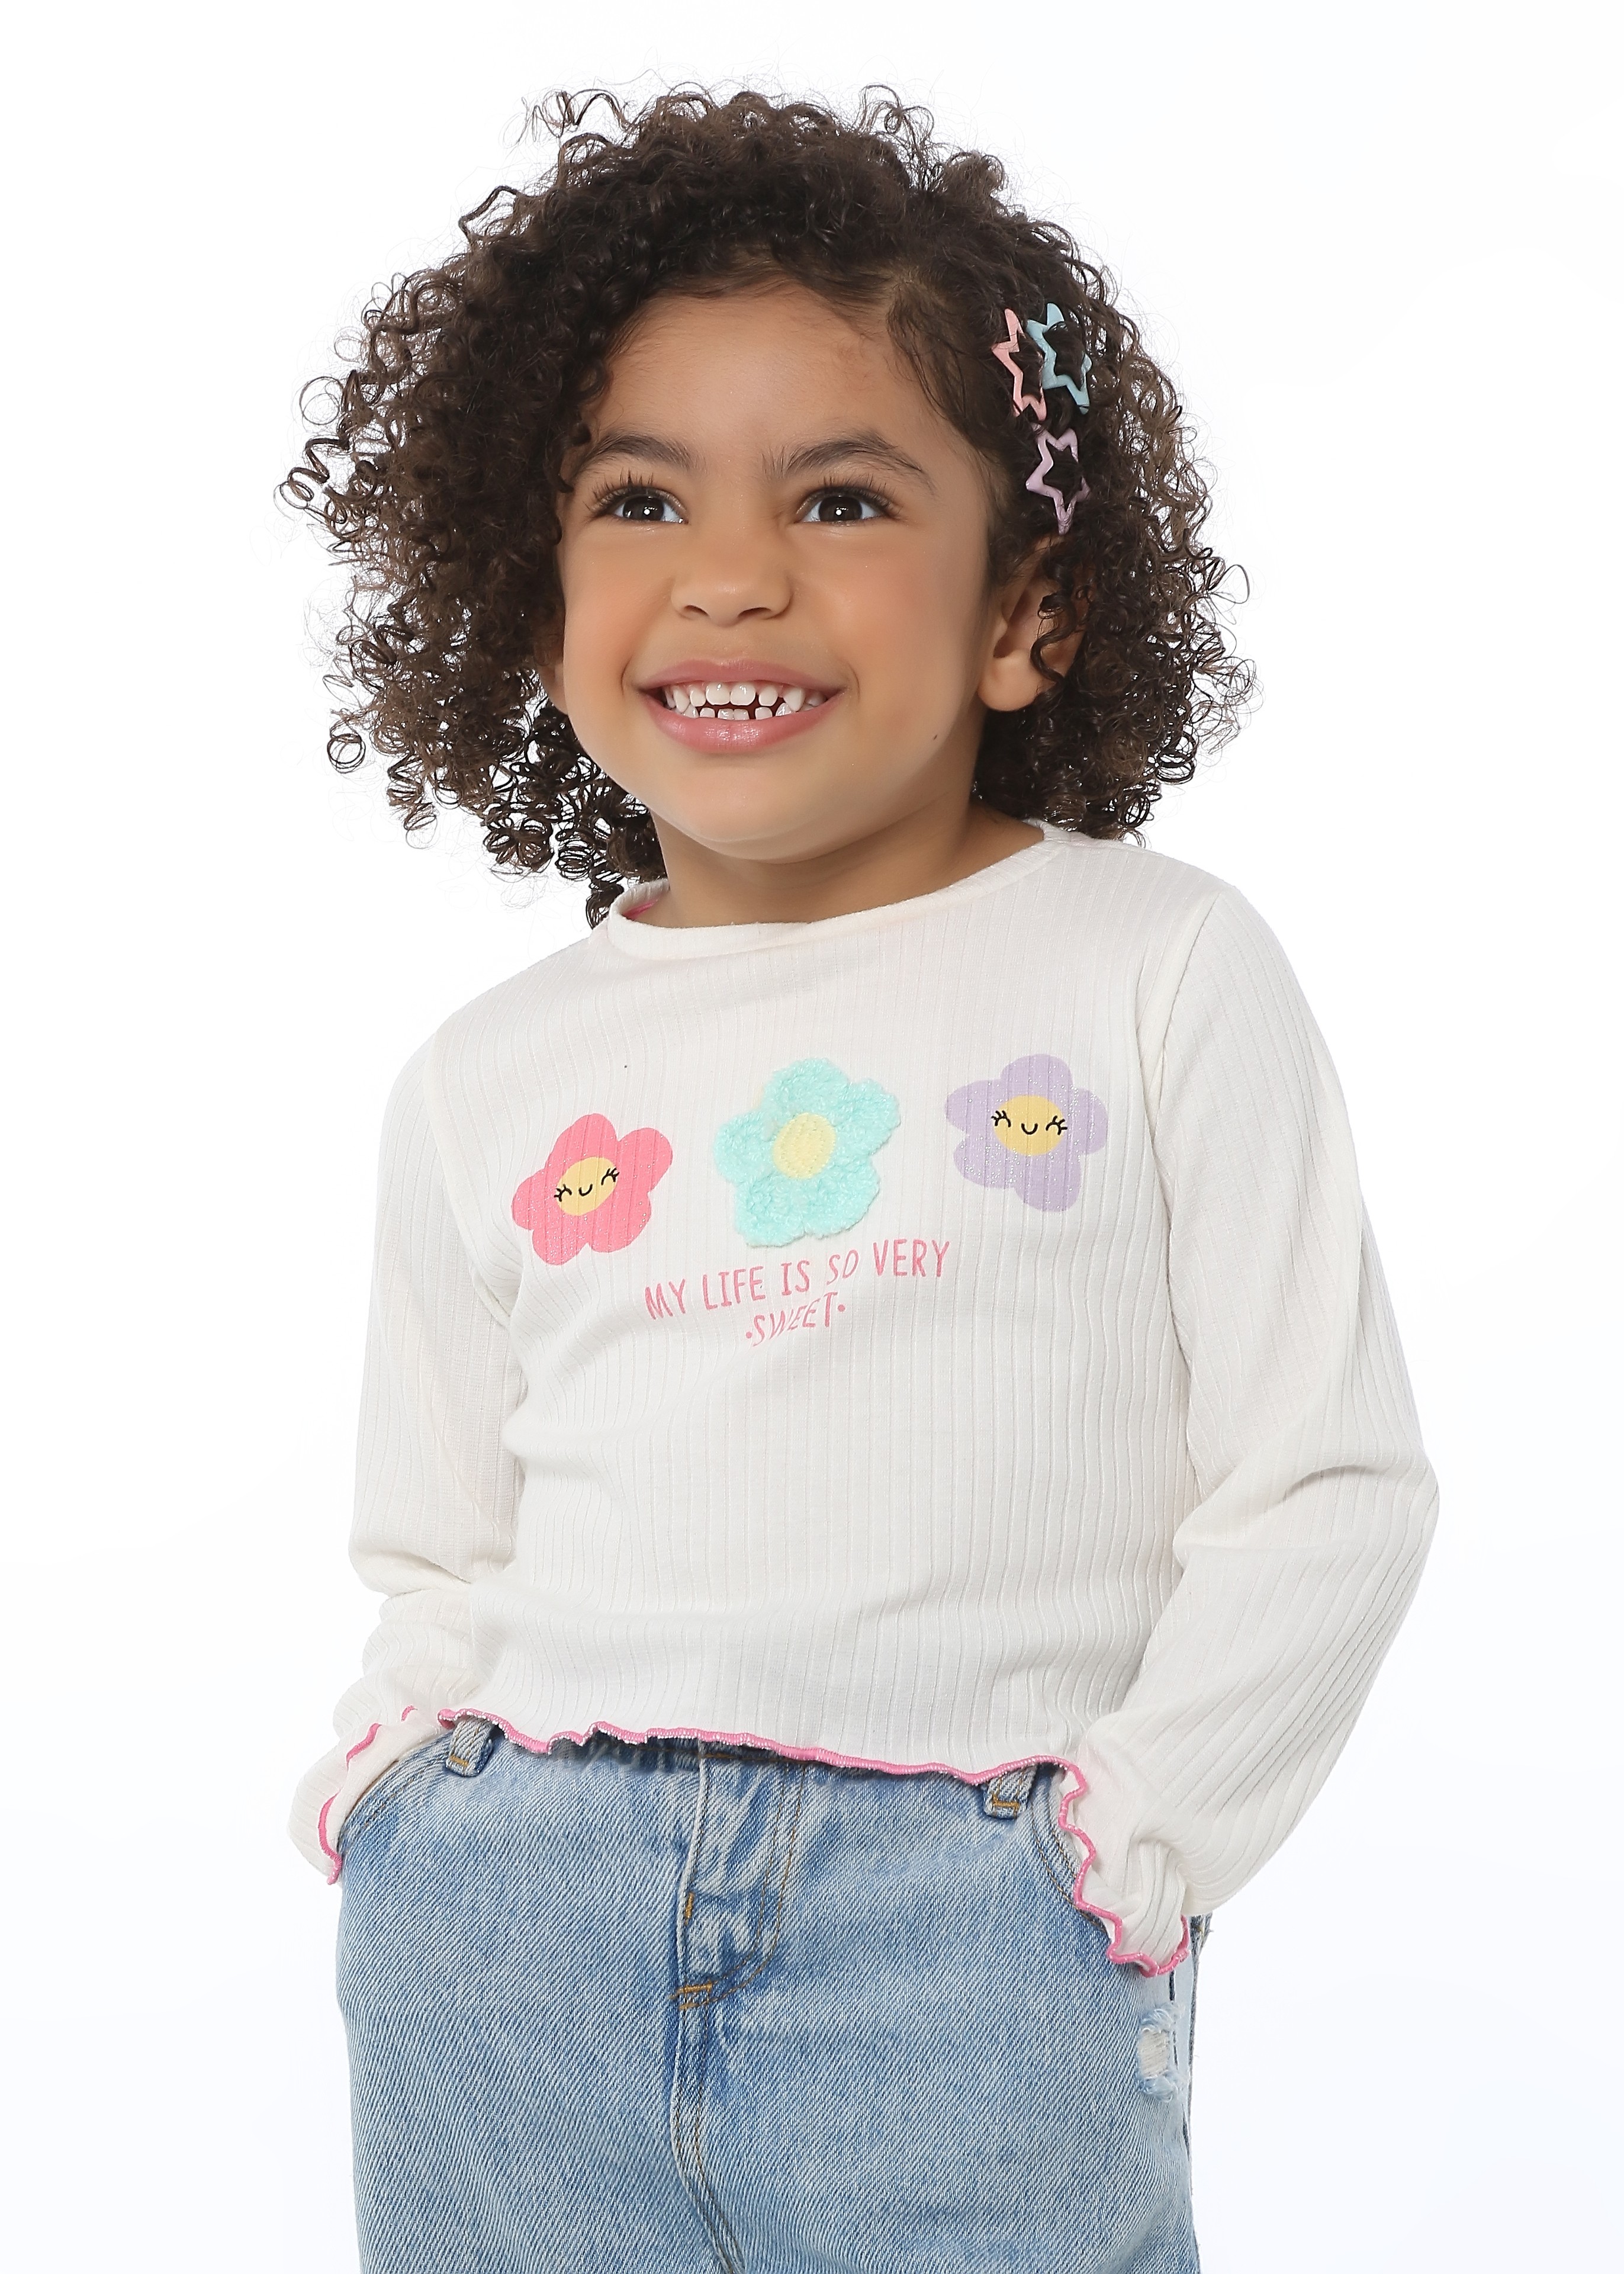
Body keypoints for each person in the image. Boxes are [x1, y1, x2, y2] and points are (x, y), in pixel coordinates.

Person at [285, 86, 1438, 2273]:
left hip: (973, 1934)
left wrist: (1129, 1847)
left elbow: (1327, 1482)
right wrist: (398, 1786)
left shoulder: (1158, 969)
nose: (730, 573)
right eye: (638, 498)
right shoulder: (486, 1078)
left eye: (839, 497)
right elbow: (434, 1538)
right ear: (532, 595)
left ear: (1028, 608)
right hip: (507, 1944)